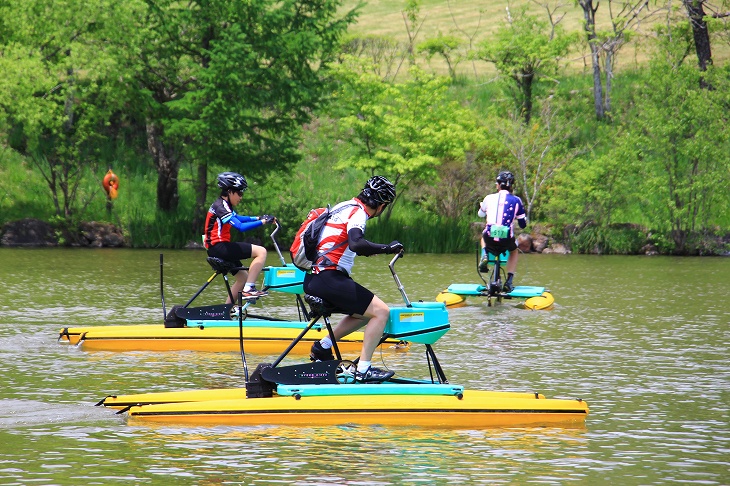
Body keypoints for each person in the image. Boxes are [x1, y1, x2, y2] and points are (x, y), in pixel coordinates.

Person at [304, 175, 403, 383]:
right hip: (329, 278)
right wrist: (388, 248)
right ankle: (363, 369)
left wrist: (370, 249)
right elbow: (357, 243)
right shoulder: (359, 213)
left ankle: (323, 347)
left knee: (365, 313)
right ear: (382, 205)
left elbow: (346, 243)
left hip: (314, 278)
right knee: (381, 312)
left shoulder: (344, 206)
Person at [204, 172, 275, 302]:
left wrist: (259, 217)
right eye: (240, 193)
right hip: (219, 247)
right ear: (230, 192)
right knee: (261, 251)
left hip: (217, 247)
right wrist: (264, 222)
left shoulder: (224, 205)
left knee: (242, 277)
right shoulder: (221, 207)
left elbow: (238, 218)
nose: (241, 197)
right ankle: (249, 289)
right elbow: (240, 227)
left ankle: (227, 310)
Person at [477, 171, 527, 292]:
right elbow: (523, 224)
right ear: (511, 186)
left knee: (483, 237)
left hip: (489, 236)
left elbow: (480, 214)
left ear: (498, 185)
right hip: (506, 239)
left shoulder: (488, 198)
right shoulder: (517, 200)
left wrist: (482, 207)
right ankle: (509, 281)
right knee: (514, 251)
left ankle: (484, 255)